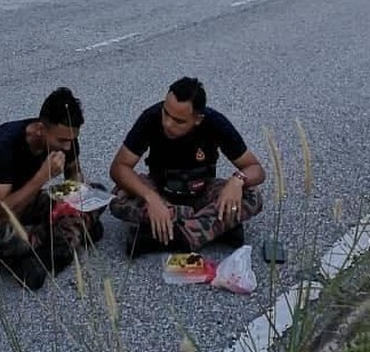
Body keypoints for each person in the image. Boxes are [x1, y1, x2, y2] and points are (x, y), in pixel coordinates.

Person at [109, 76, 265, 256]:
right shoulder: (151, 118)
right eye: (166, 113)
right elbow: (119, 167)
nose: (168, 124)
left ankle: (165, 235)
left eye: (179, 121)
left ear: (197, 119)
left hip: (201, 194)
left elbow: (255, 168)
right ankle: (213, 228)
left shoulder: (215, 123)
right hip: (161, 194)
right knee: (118, 196)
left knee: (252, 196)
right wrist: (151, 197)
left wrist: (237, 181)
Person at [0, 87, 103, 290]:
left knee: (96, 190)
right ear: (40, 130)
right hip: (0, 217)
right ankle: (67, 239)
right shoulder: (4, 144)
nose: (67, 147)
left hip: (34, 202)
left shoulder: (66, 139)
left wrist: (75, 192)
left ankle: (45, 254)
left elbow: (74, 172)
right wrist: (42, 177)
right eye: (62, 140)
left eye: (71, 140)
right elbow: (2, 212)